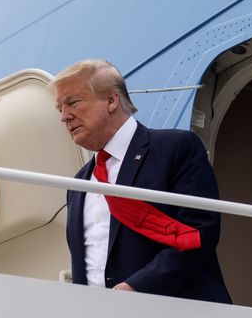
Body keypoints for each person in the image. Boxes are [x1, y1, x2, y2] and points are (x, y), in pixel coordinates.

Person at [50, 59, 231, 303]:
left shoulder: (176, 148)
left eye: (72, 102)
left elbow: (200, 232)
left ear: (112, 101)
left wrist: (138, 288)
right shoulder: (78, 184)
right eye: (59, 108)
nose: (63, 116)